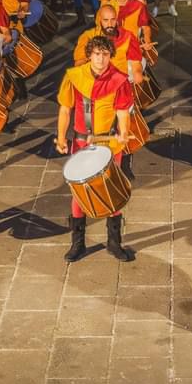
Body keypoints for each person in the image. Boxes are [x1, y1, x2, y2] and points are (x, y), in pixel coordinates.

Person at [56, 35, 137, 262]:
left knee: (112, 192)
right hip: (82, 143)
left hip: (110, 144)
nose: (100, 59)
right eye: (97, 54)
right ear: (89, 55)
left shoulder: (119, 80)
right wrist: (61, 137)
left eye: (105, 54)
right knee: (79, 193)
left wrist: (123, 133)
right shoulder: (74, 76)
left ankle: (114, 243)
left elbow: (122, 112)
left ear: (110, 56)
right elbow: (65, 109)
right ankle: (77, 243)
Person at [72, 6, 144, 88]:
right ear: (100, 20)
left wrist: (137, 72)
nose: (110, 24)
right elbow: (79, 63)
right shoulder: (88, 36)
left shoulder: (128, 36)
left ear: (116, 20)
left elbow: (136, 63)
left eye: (113, 20)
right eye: (105, 20)